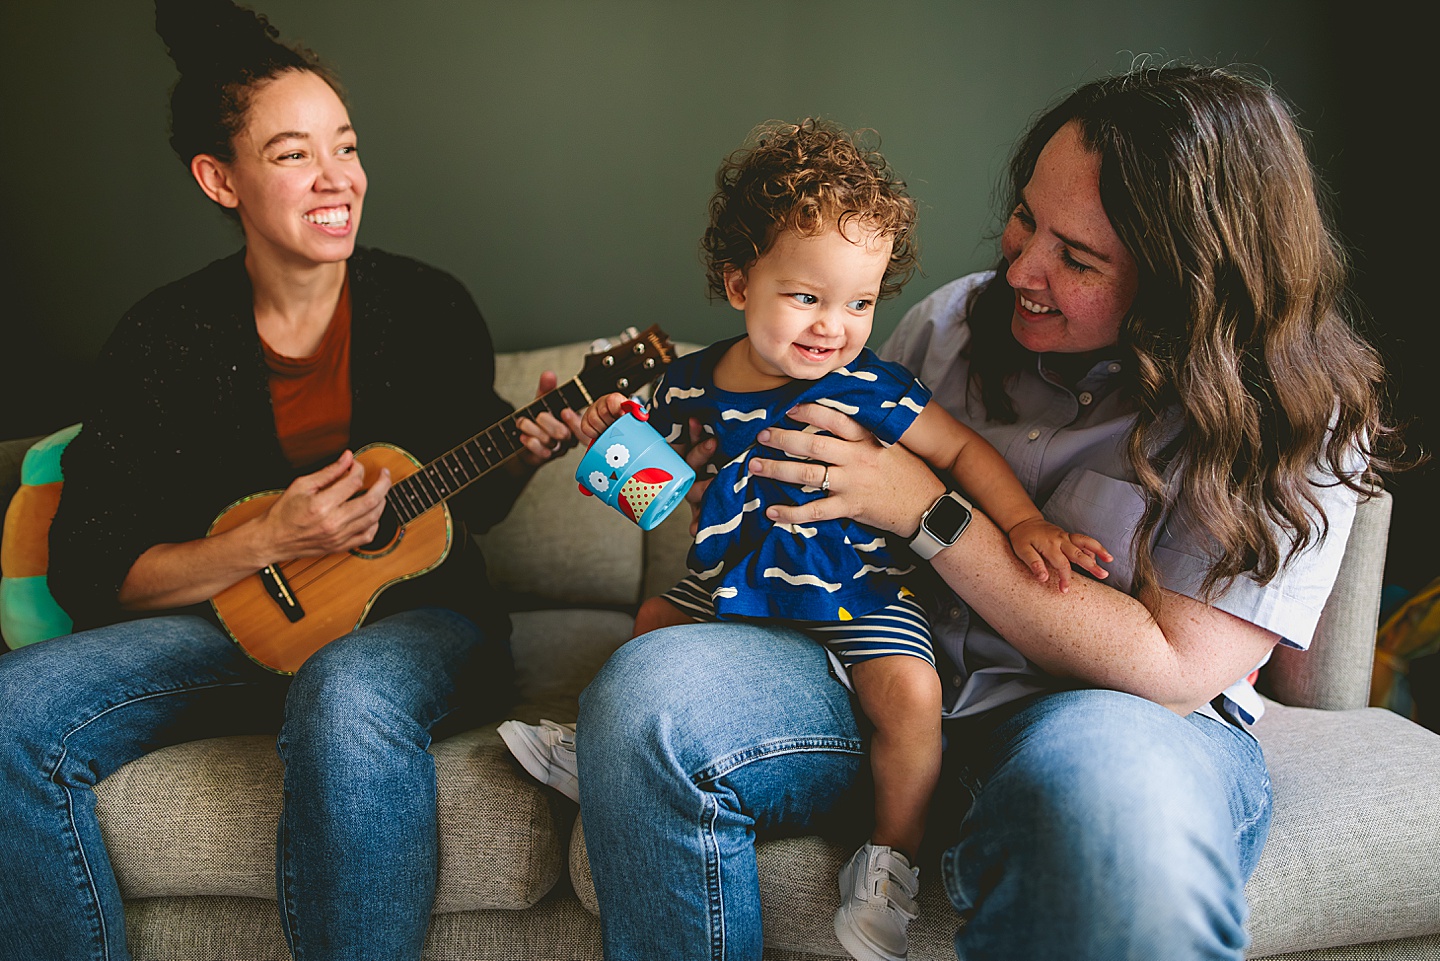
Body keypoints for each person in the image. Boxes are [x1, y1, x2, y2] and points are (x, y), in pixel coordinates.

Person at [566, 64, 1394, 961]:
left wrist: (929, 510)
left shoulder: (1296, 418)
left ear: (1188, 282)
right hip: (864, 669)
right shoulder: (953, 321)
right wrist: (647, 466)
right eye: (1027, 218)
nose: (1020, 267)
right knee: (647, 697)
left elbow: (1173, 672)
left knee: (1117, 811)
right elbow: (713, 498)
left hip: (1100, 717)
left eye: (1077, 258)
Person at [0, 2, 582, 959]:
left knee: (346, 695)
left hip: (417, 626)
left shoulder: (427, 306)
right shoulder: (163, 339)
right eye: (291, 154)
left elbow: (464, 503)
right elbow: (91, 568)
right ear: (218, 179)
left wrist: (524, 447)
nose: (336, 178)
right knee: (14, 710)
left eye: (345, 147)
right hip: (232, 626)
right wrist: (270, 539)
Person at [501, 118, 1109, 961]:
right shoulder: (688, 383)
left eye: (861, 302)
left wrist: (1027, 523)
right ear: (737, 280)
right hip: (736, 582)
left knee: (911, 696)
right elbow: (652, 493)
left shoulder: (869, 386)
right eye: (807, 297)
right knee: (648, 626)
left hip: (850, 583)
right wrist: (614, 442)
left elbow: (964, 450)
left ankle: (890, 861)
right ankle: (604, 756)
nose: (836, 326)